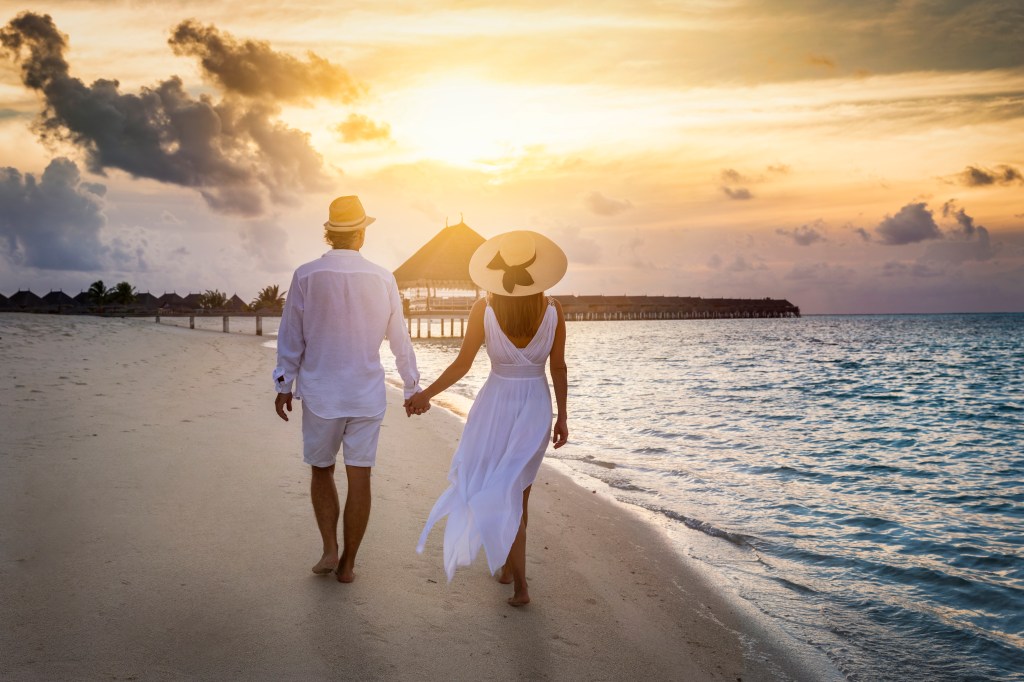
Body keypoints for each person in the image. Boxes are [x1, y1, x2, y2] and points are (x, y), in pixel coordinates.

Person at [407, 230, 569, 606]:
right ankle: (512, 571)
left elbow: (462, 364)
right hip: (535, 404)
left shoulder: (485, 308)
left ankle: (521, 585)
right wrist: (563, 416)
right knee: (518, 489)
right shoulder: (553, 309)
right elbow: (558, 367)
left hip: (495, 405)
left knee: (504, 487)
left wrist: (424, 396)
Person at [273, 195, 422, 583]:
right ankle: (348, 564)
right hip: (366, 394)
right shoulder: (382, 277)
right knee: (360, 476)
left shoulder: (305, 275)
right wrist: (411, 387)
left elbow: (291, 335)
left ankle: (329, 549)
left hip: (322, 392)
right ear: (361, 233)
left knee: (322, 470)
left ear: (328, 233)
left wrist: (283, 384)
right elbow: (399, 339)